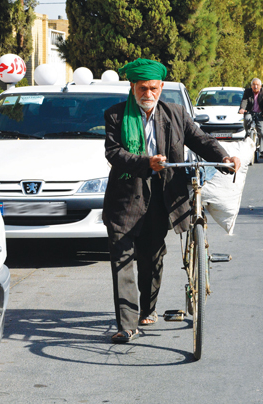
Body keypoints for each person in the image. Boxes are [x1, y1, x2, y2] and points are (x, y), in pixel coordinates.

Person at [103, 58, 241, 343]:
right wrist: (146, 163)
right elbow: (114, 153)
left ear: (161, 87)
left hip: (163, 197)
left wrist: (223, 157)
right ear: (132, 87)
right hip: (126, 198)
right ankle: (127, 326)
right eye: (142, 88)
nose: (148, 94)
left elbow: (201, 139)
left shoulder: (176, 114)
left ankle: (147, 308)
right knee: (123, 259)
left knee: (152, 257)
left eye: (153, 88)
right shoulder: (115, 116)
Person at [238, 77, 263, 159]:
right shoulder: (247, 92)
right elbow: (244, 101)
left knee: (262, 132)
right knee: (246, 119)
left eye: (257, 85)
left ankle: (262, 150)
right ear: (251, 86)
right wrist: (242, 109)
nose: (255, 86)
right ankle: (247, 133)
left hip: (261, 114)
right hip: (250, 112)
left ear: (260, 86)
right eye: (253, 84)